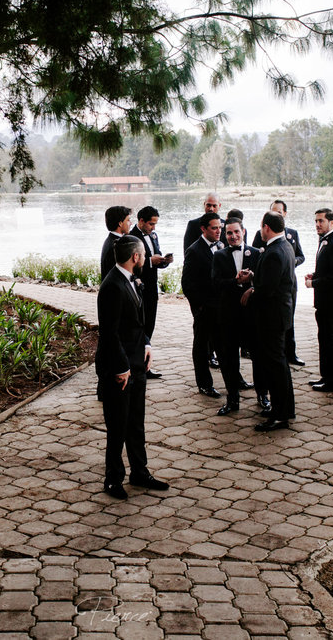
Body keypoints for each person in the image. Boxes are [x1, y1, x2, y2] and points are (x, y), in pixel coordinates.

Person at [95, 236, 170, 498]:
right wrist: (121, 368)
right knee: (118, 426)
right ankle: (112, 479)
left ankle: (140, 471)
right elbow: (109, 333)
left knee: (136, 423)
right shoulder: (112, 286)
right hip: (120, 370)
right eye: (142, 256)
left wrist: (147, 344)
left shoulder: (131, 281)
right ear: (135, 257)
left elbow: (137, 322)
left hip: (138, 362)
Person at [247, 211, 297, 432]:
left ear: (266, 227)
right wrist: (255, 278)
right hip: (280, 314)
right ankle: (286, 408)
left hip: (272, 316)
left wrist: (251, 291)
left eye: (261, 226)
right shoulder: (285, 245)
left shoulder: (275, 252)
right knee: (280, 364)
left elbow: (268, 289)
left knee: (275, 366)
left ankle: (280, 415)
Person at [212, 217, 263, 415]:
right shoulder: (219, 256)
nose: (233, 236)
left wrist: (252, 281)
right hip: (229, 315)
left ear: (243, 231)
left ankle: (263, 396)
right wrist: (235, 281)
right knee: (229, 358)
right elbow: (215, 284)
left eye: (236, 232)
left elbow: (265, 282)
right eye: (229, 233)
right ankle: (232, 400)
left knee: (258, 357)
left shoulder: (257, 253)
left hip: (252, 315)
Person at [252, 199, 306, 366]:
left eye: (279, 211)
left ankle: (291, 352)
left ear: (285, 214)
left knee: (286, 322)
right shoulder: (264, 237)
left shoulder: (289, 238)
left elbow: (300, 256)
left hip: (284, 286)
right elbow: (256, 256)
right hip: (276, 284)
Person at [304, 208, 333, 392]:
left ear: (332, 223)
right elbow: (328, 269)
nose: (317, 224)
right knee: (325, 341)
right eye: (316, 221)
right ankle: (326, 377)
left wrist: (313, 283)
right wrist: (316, 273)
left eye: (321, 221)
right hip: (325, 303)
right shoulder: (325, 241)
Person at [182, 213, 224, 399]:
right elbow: (187, 284)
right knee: (201, 347)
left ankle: (235, 379)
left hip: (221, 308)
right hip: (204, 309)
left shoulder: (221, 246)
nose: (218, 231)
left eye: (220, 227)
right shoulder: (194, 250)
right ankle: (204, 385)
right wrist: (198, 308)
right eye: (214, 228)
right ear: (203, 229)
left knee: (223, 345)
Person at [129, 206, 173, 378]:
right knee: (141, 327)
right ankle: (137, 366)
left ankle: (145, 365)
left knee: (150, 325)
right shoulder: (131, 237)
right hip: (139, 288)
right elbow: (132, 263)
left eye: (155, 224)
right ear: (141, 221)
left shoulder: (154, 236)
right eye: (150, 224)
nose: (153, 227)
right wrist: (148, 261)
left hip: (152, 288)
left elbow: (157, 256)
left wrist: (164, 261)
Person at [101, 205, 132, 279]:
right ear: (120, 223)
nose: (130, 223)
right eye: (128, 220)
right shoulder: (117, 245)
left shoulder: (110, 240)